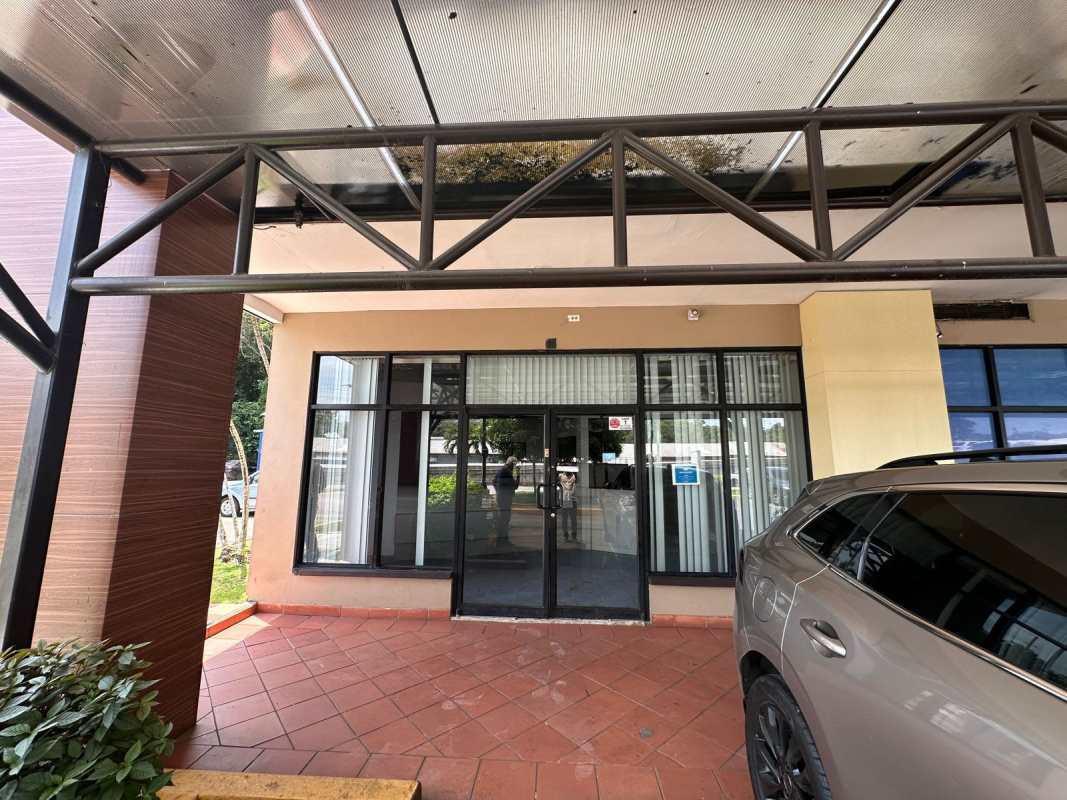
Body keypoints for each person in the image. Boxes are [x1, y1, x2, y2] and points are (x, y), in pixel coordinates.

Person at [493, 456, 520, 544]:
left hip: (502, 498)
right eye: (514, 464)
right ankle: (502, 540)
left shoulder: (502, 470)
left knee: (503, 518)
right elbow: (515, 486)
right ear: (511, 464)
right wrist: (518, 475)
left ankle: (502, 539)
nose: (514, 466)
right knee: (505, 519)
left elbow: (493, 481)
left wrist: (498, 491)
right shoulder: (506, 472)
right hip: (505, 499)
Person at [558, 469, 579, 542]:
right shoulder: (561, 476)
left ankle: (573, 535)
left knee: (573, 520)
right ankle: (566, 535)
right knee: (565, 519)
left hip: (572, 500)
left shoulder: (574, 476)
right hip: (564, 500)